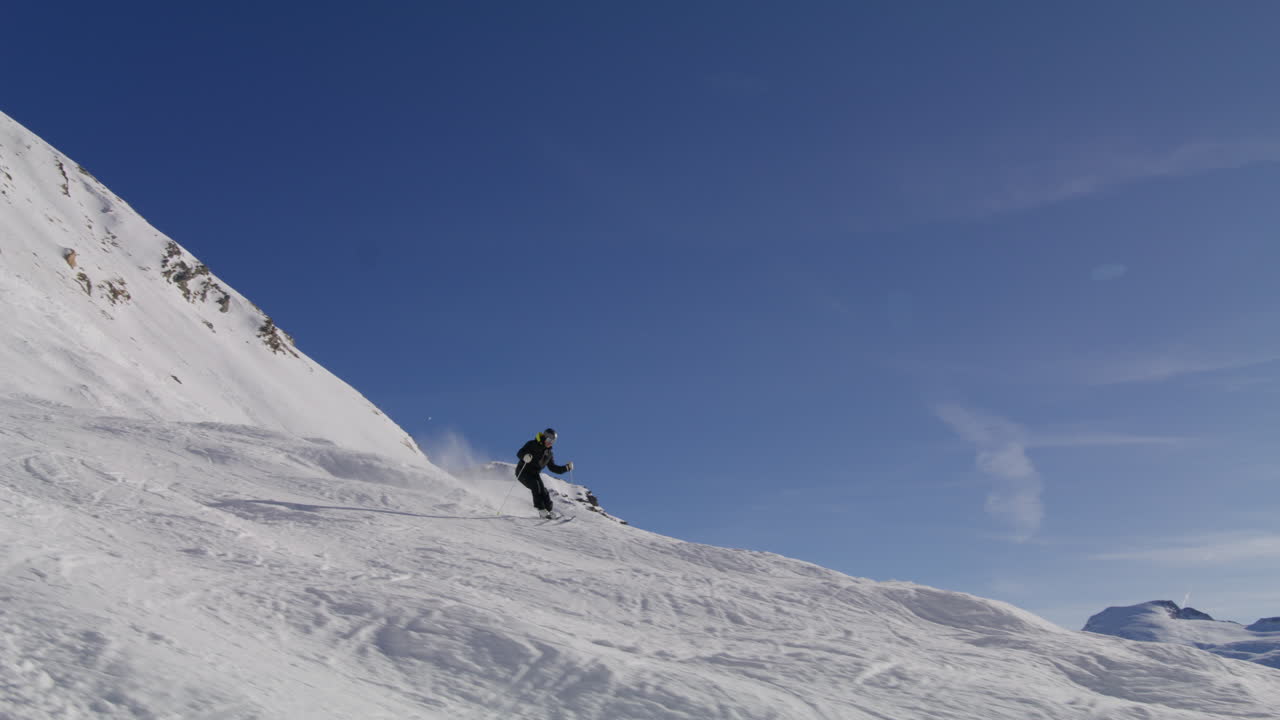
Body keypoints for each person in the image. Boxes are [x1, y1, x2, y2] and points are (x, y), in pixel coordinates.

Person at [515, 428, 574, 519]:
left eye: (553, 441)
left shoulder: (548, 454)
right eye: (549, 440)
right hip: (523, 472)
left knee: (544, 492)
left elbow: (553, 468)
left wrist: (566, 468)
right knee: (536, 486)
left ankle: (548, 512)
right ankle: (541, 509)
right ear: (544, 437)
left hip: (534, 474)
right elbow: (520, 453)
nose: (550, 443)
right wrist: (525, 456)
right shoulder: (532, 444)